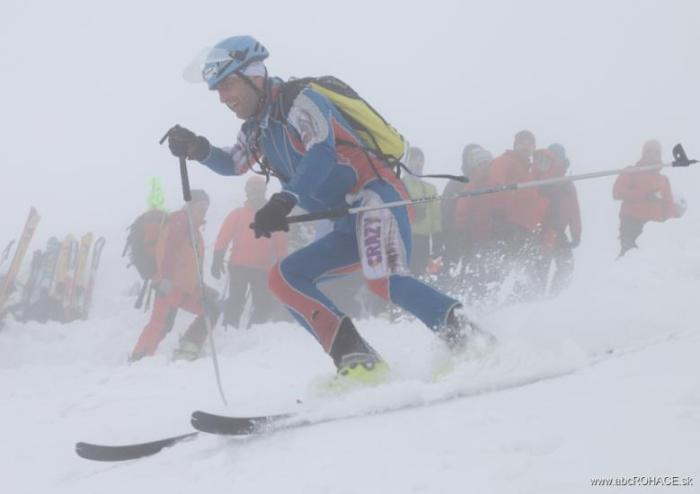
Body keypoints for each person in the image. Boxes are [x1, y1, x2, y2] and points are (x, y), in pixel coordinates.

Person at [165, 35, 480, 384]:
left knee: (383, 279)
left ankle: (469, 339)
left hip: (374, 199)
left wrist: (284, 200)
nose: (223, 98)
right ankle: (358, 361)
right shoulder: (256, 128)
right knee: (284, 277)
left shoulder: (299, 100)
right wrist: (197, 148)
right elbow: (235, 163)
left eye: (227, 85)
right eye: (217, 90)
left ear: (253, 75)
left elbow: (322, 151)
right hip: (346, 222)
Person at [130, 190, 220, 361]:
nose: (203, 211)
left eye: (206, 208)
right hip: (170, 285)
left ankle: (186, 350)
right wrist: (165, 278)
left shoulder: (194, 231)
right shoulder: (180, 220)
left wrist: (202, 287)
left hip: (183, 287)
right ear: (190, 205)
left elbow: (190, 266)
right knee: (161, 324)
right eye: (200, 206)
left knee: (209, 310)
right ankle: (139, 358)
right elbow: (169, 249)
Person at [211, 176, 287, 328]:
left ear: (264, 192)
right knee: (236, 299)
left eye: (259, 191)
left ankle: (254, 332)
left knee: (262, 303)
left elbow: (281, 244)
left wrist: (281, 264)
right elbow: (223, 237)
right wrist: (217, 259)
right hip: (238, 266)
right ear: (247, 192)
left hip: (262, 268)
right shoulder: (237, 214)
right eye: (253, 190)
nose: (257, 194)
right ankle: (229, 329)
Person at [486, 130, 549, 301]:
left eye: (530, 144)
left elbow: (536, 198)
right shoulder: (506, 161)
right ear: (515, 145)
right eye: (522, 143)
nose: (526, 147)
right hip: (508, 222)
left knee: (523, 265)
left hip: (525, 226)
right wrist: (498, 211)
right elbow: (496, 183)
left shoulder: (530, 171)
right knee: (506, 263)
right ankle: (493, 298)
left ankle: (517, 301)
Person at [613, 140, 686, 257]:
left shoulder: (663, 180)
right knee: (629, 256)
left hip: (654, 226)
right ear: (643, 153)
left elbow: (668, 204)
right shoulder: (631, 172)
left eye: (656, 152)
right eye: (649, 151)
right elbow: (617, 192)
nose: (652, 154)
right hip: (631, 222)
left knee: (652, 258)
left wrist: (670, 226)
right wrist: (644, 195)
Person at [531, 147, 581, 295]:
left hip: (558, 232)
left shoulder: (565, 183)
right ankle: (535, 298)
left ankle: (555, 296)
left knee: (566, 265)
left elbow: (574, 210)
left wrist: (576, 233)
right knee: (540, 268)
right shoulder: (533, 180)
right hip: (538, 233)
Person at [401, 146, 442, 277]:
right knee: (403, 275)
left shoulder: (430, 189)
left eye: (420, 160)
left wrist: (437, 240)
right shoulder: (397, 186)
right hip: (402, 239)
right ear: (406, 163)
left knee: (419, 275)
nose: (418, 163)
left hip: (422, 242)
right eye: (414, 160)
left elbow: (436, 217)